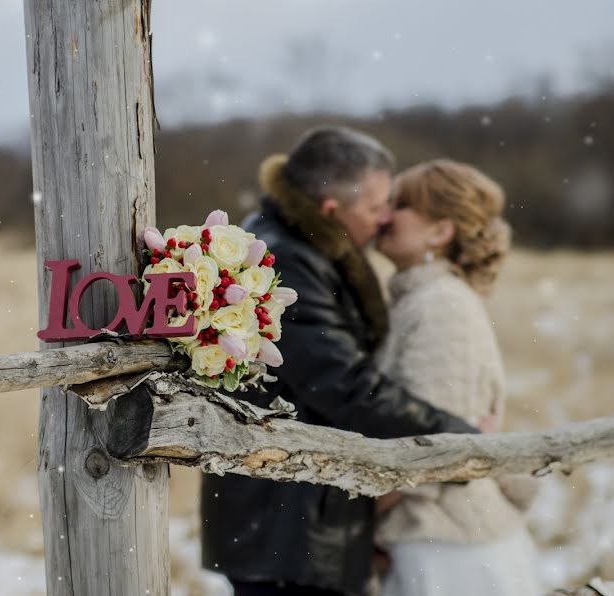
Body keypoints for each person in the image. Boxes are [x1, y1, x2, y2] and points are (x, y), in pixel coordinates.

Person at [200, 127, 480, 596]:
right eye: (376, 207)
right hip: (288, 526)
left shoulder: (293, 242)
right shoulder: (285, 261)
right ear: (332, 210)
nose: (385, 218)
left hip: (289, 518)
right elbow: (345, 386)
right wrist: (465, 439)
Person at [373, 159, 539, 596]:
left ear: (440, 232)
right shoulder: (417, 300)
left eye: (401, 204)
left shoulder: (440, 305)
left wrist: (365, 510)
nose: (384, 213)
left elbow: (433, 438)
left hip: (451, 554)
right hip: (432, 540)